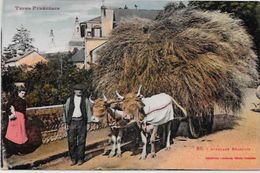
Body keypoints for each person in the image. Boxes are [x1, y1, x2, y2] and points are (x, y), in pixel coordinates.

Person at [63, 84, 94, 166]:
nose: (79, 91)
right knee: (71, 141)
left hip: (82, 122)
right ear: (74, 91)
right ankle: (73, 159)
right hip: (72, 122)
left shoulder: (85, 100)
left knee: (81, 141)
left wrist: (88, 123)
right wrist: (66, 123)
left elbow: (88, 111)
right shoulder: (70, 100)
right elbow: (65, 111)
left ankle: (80, 159)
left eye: (80, 90)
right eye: (77, 90)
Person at [4, 87, 28, 155]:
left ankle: (18, 150)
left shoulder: (24, 101)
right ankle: (12, 150)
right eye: (22, 93)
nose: (23, 95)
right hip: (15, 118)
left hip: (21, 118)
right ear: (18, 93)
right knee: (13, 134)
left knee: (21, 134)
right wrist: (10, 114)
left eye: (24, 93)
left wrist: (25, 118)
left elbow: (24, 111)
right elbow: (7, 107)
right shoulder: (13, 100)